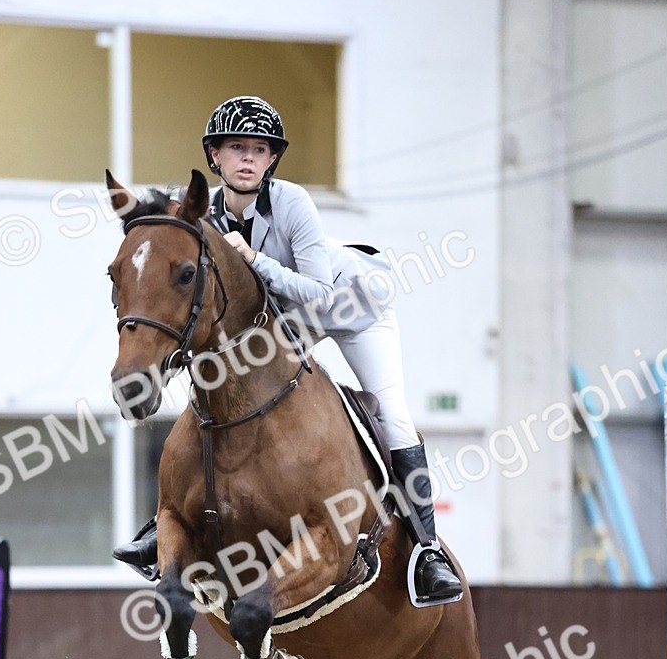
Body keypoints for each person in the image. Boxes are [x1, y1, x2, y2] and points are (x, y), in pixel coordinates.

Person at [113, 95, 461, 604]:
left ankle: (426, 551)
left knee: (393, 415)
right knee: (223, 383)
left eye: (259, 149)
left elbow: (319, 292)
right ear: (215, 156)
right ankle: (169, 522)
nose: (248, 158)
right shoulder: (204, 211)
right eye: (236, 149)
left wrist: (253, 259)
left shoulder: (293, 201)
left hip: (353, 305)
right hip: (288, 315)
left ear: (272, 159)